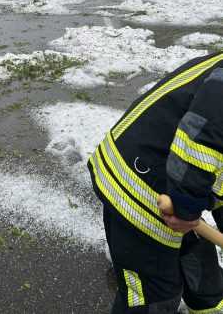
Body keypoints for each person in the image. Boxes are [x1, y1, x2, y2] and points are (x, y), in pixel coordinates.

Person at [88, 51, 223, 314]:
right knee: (154, 294)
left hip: (185, 185)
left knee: (203, 276)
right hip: (137, 182)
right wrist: (186, 207)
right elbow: (200, 142)